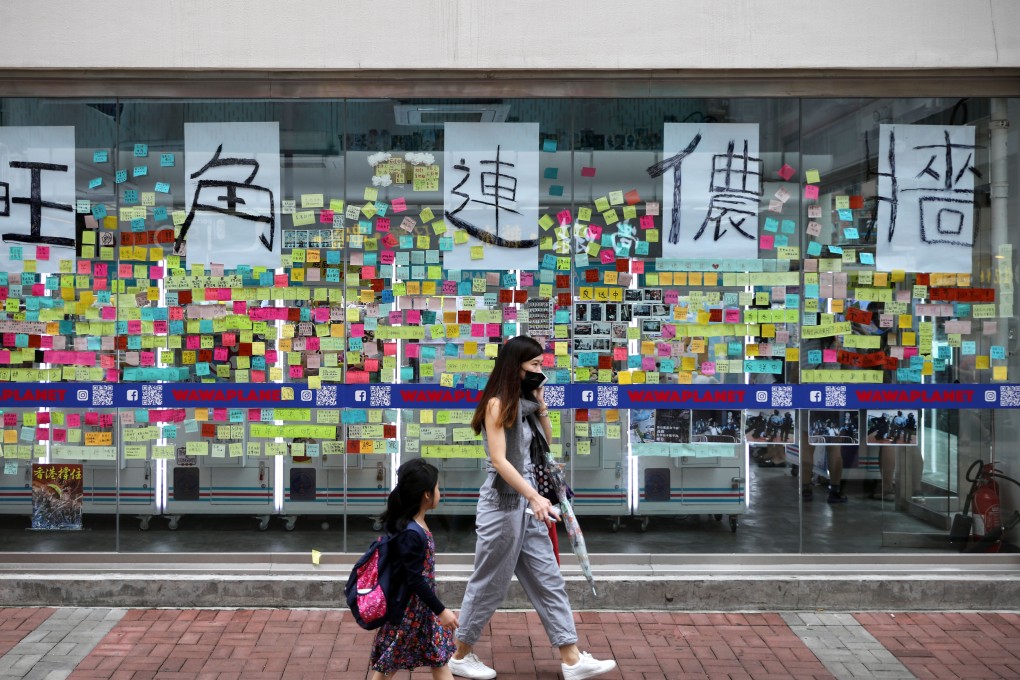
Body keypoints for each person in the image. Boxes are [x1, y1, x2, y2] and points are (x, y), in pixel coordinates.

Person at [449, 336, 617, 680]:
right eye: (535, 366)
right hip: (503, 504)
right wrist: (534, 497)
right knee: (489, 583)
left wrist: (540, 404)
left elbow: (546, 442)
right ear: (517, 367)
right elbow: (499, 460)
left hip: (528, 503)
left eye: (542, 365)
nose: (542, 371)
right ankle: (458, 654)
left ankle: (571, 658)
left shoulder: (525, 404)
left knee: (548, 579)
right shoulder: (497, 404)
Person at [369, 459, 459, 680]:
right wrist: (441, 610)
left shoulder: (415, 525)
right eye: (437, 487)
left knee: (437, 658)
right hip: (408, 612)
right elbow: (415, 579)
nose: (440, 492)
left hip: (421, 611)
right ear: (426, 494)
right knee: (388, 664)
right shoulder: (412, 533)